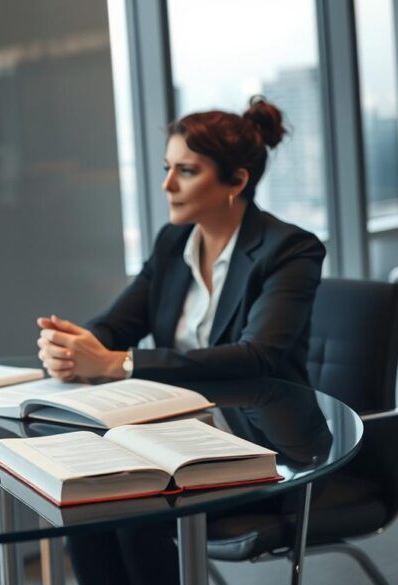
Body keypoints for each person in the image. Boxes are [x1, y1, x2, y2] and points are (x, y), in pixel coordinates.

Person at [35, 97, 326, 584]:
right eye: (167, 168)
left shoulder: (289, 249)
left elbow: (259, 355)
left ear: (236, 182)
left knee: (131, 506)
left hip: (265, 447)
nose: (167, 185)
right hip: (172, 438)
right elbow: (115, 326)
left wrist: (118, 364)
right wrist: (75, 345)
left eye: (186, 172)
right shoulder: (174, 243)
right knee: (85, 499)